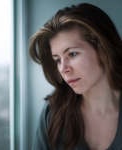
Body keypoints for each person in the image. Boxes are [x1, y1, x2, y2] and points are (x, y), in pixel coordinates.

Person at [29, 3, 122, 150]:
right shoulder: (53, 113)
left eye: (72, 54)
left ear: (103, 49)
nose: (63, 68)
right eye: (58, 59)